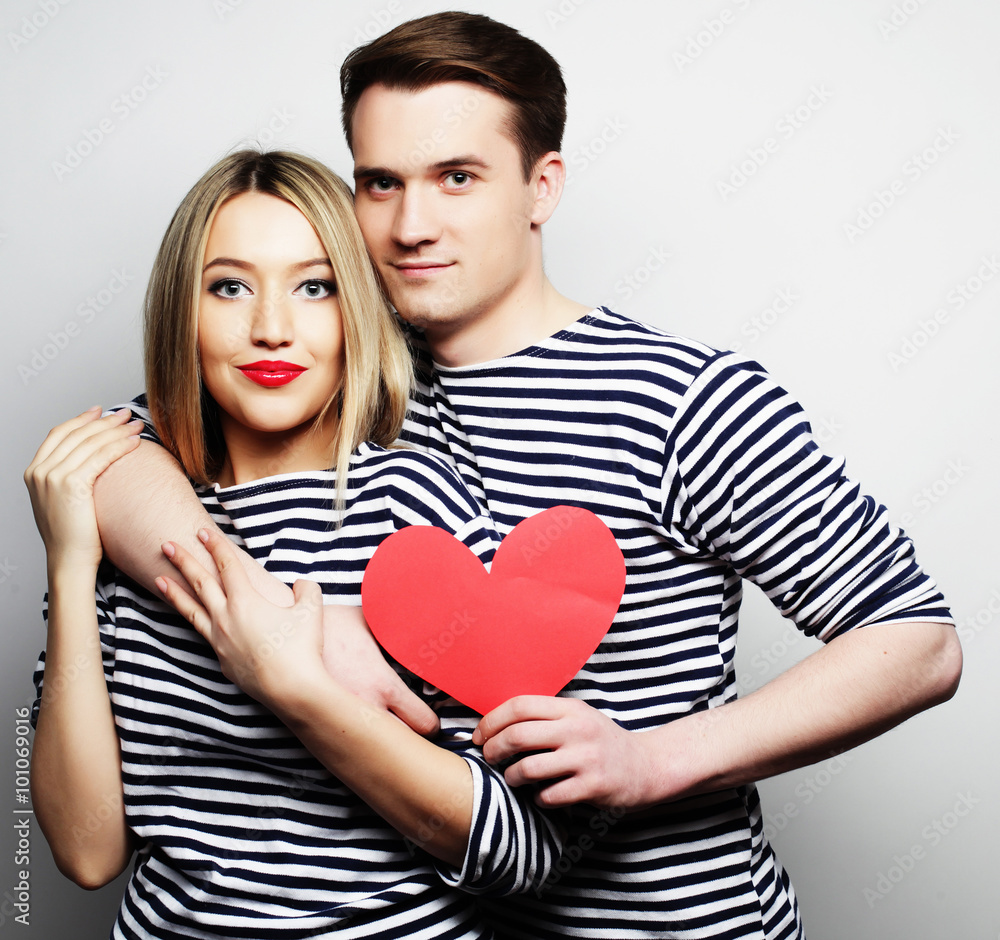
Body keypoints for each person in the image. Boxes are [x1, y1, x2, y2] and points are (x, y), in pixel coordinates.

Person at [84, 12, 962, 940]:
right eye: (382, 184)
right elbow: (105, 457)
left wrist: (653, 760)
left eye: (456, 179)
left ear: (541, 188)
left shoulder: (676, 399)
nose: (412, 225)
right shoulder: (346, 373)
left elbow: (917, 642)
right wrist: (283, 619)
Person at [25, 149, 567, 939]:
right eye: (230, 286)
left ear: (357, 310)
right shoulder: (128, 520)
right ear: (184, 309)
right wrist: (71, 565)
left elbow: (523, 852)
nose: (271, 327)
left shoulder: (417, 509)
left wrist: (292, 680)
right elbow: (87, 851)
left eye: (314, 287)